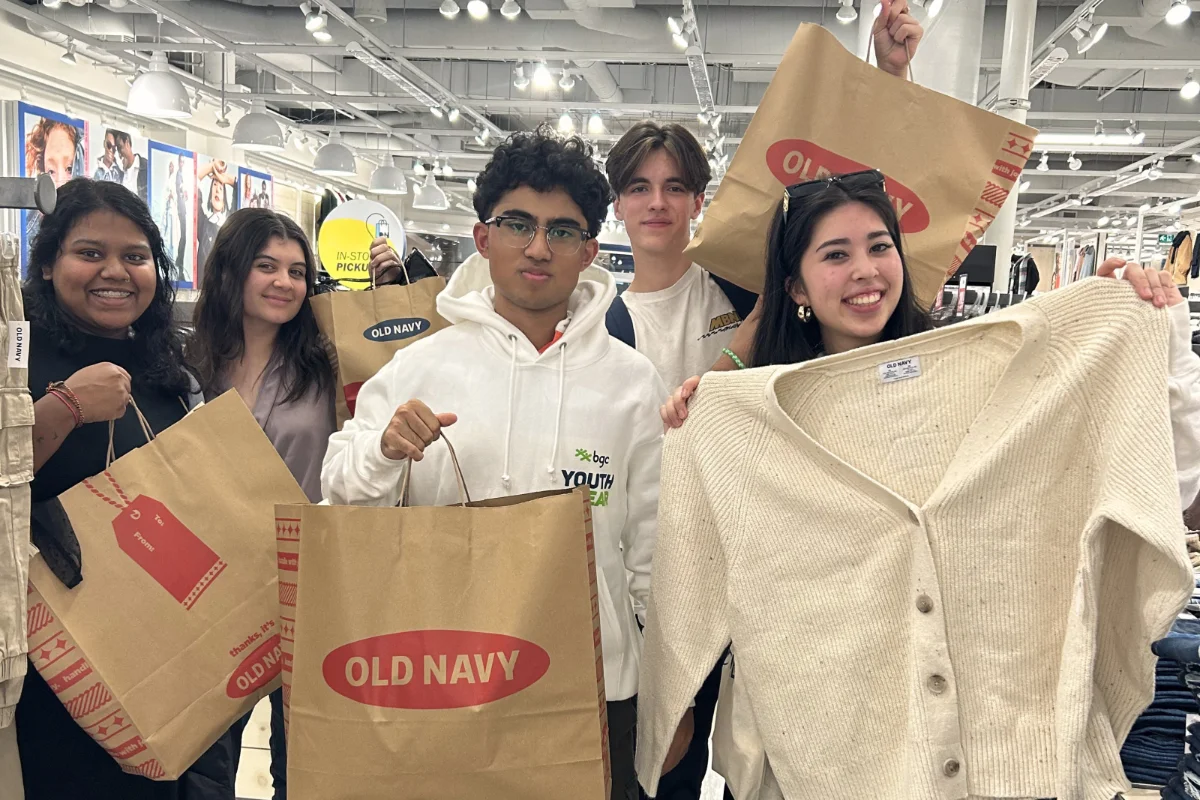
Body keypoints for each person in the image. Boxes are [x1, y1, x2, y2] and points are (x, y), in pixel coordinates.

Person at [654, 169, 1200, 798]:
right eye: (836, 255)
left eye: (879, 246)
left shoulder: (1002, 384)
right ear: (795, 285)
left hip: (999, 754)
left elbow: (1168, 483)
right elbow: (686, 589)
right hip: (820, 757)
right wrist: (665, 721)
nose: (865, 270)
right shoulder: (748, 429)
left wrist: (1136, 329)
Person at [605, 4, 925, 797]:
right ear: (617, 204)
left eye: (676, 186)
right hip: (651, 564)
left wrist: (889, 79)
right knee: (653, 762)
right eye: (639, 187)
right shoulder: (602, 321)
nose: (657, 203)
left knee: (747, 739)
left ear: (700, 201)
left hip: (758, 554)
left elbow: (853, 213)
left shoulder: (743, 292)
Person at [321, 129, 666, 800]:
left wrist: (661, 699)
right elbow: (340, 493)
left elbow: (655, 556)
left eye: (562, 231)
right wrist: (384, 450)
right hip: (440, 679)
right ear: (483, 238)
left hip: (593, 690)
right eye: (518, 224)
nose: (538, 248)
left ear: (590, 251)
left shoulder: (632, 384)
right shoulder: (420, 367)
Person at [16, 178, 235, 799]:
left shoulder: (168, 367)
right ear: (49, 263)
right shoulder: (15, 359)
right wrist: (63, 408)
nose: (114, 271)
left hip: (160, 642)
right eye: (90, 253)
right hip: (53, 656)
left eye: (135, 256)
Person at [190, 208, 336, 800]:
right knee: (204, 751)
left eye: (297, 272)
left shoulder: (325, 366)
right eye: (267, 266)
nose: (284, 282)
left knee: (302, 753)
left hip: (308, 578)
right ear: (232, 271)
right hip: (208, 581)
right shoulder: (187, 365)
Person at [197, 160, 236, 284]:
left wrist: (223, 178)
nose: (217, 190)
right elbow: (193, 181)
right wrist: (211, 167)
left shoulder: (233, 224)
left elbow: (238, 186)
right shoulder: (203, 224)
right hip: (202, 288)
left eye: (221, 187)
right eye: (214, 186)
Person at [114, 131, 148, 202]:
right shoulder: (119, 174)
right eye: (116, 150)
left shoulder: (146, 167)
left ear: (127, 142)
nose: (119, 154)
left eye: (120, 147)